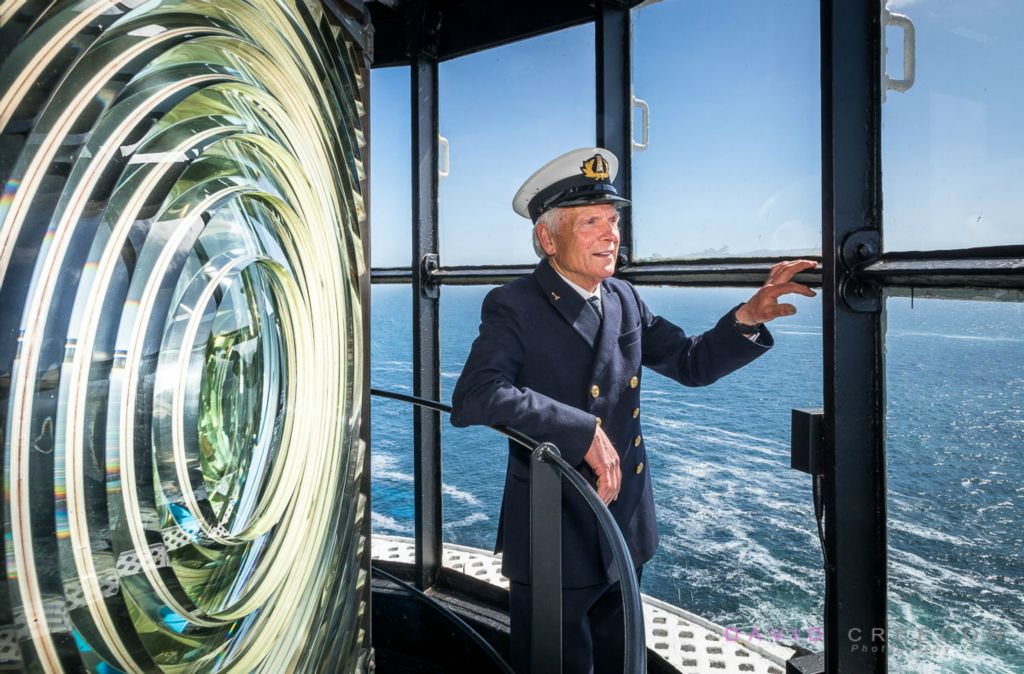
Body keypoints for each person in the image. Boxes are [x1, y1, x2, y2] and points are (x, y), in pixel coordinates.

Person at [449, 147, 817, 673]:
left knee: (622, 661)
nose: (610, 234)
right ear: (547, 239)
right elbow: (477, 394)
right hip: (556, 529)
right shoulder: (515, 304)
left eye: (614, 220)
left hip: (625, 523)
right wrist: (581, 431)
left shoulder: (623, 297)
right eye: (591, 222)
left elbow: (691, 362)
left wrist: (747, 316)